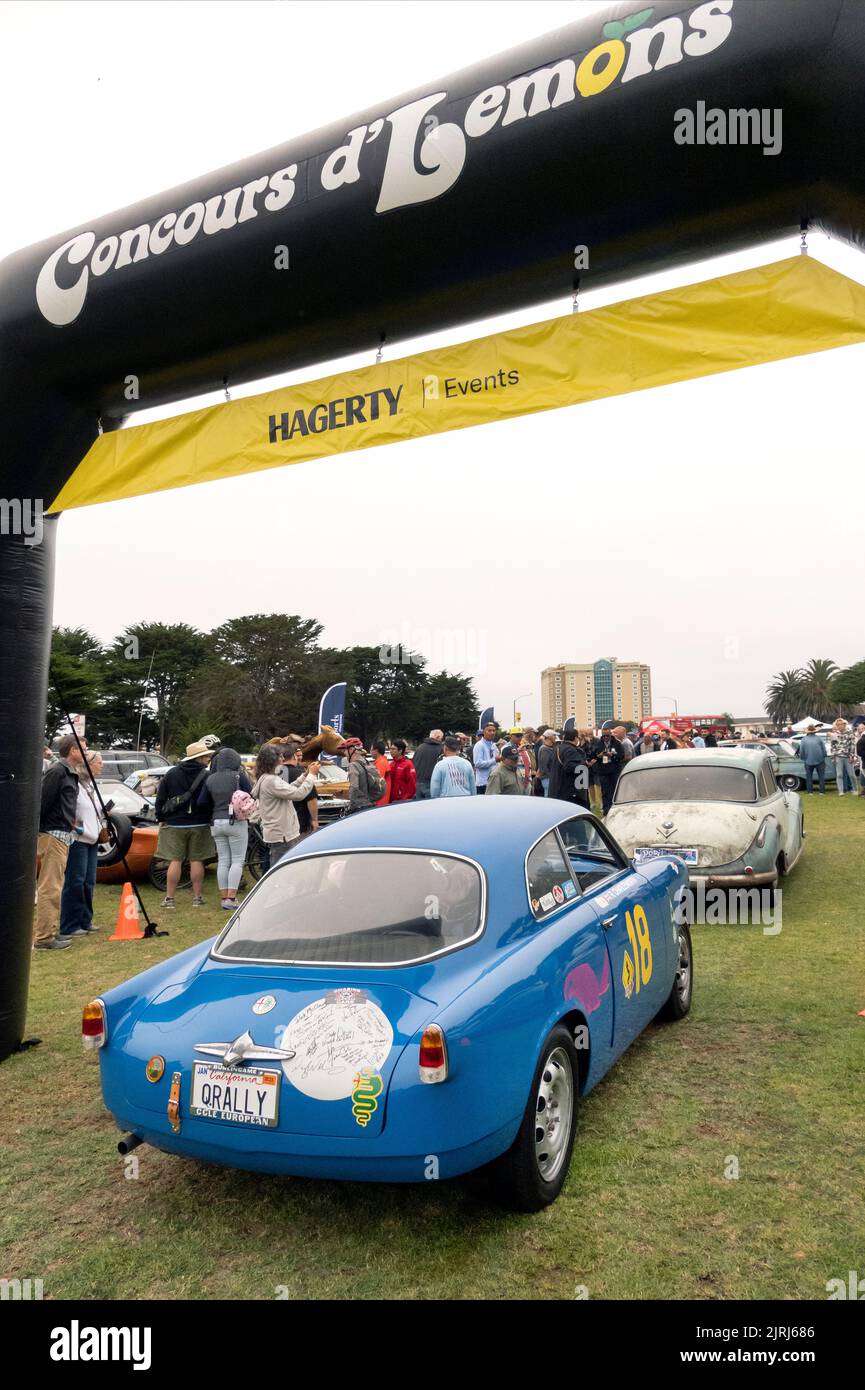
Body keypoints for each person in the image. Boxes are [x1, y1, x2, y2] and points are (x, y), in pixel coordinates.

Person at [34, 733, 88, 950]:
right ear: (73, 750)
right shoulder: (58, 771)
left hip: (62, 833)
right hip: (52, 834)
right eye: (83, 748)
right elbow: (43, 802)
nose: (86, 751)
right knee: (50, 887)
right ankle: (44, 938)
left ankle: (49, 933)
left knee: (55, 886)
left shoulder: (69, 772)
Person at [154, 741, 215, 909]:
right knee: (197, 860)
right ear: (200, 757)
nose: (208, 758)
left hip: (175, 823)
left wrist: (161, 817)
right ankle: (197, 897)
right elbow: (210, 800)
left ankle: (169, 898)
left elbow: (160, 799)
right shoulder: (207, 775)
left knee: (175, 861)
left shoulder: (172, 773)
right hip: (200, 822)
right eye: (206, 756)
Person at [59, 748, 104, 939]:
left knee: (88, 881)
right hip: (79, 839)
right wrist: (78, 828)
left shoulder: (91, 786)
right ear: (88, 765)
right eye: (98, 762)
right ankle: (69, 924)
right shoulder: (75, 784)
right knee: (75, 881)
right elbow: (69, 810)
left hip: (92, 839)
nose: (101, 766)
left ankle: (85, 920)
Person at [201, 747, 253, 910]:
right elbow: (251, 793)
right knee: (237, 860)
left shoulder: (210, 778)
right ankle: (231, 898)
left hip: (216, 822)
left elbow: (201, 802)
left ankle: (224, 897)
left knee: (223, 861)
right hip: (236, 821)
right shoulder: (239, 776)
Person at [251, 743, 319, 865]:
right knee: (281, 869)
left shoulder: (267, 778)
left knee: (279, 866)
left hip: (278, 833)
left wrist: (305, 775)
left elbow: (289, 789)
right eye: (280, 756)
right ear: (273, 760)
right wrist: (312, 776)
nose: (283, 759)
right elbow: (298, 795)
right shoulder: (271, 781)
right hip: (282, 834)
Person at [280, 744, 320, 835]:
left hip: (279, 824)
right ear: (294, 756)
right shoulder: (298, 772)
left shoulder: (274, 774)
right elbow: (311, 799)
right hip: (299, 823)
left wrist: (306, 774)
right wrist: (314, 820)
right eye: (298, 756)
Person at [549, 728, 589, 809]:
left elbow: (549, 765)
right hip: (570, 792)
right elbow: (571, 767)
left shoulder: (557, 748)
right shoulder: (571, 750)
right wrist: (584, 765)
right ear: (575, 738)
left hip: (556, 789)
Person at [344, 739, 385, 813]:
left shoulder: (353, 765)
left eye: (345, 750)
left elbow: (354, 787)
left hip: (359, 807)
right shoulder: (367, 762)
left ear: (351, 749)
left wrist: (351, 804)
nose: (344, 753)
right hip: (370, 804)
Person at [595, 728, 624, 813]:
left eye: (607, 735)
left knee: (614, 790)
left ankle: (614, 808)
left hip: (614, 770)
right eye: (604, 736)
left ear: (611, 735)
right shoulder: (598, 744)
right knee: (604, 791)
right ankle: (606, 809)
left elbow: (622, 756)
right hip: (603, 771)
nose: (606, 737)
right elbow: (593, 756)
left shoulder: (617, 743)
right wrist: (599, 756)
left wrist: (613, 755)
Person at [828, 718, 858, 796]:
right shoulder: (834, 734)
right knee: (839, 775)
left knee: (851, 775)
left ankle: (855, 789)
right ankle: (841, 791)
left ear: (844, 725)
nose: (839, 726)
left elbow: (853, 745)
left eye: (841, 724)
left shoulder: (850, 733)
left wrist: (852, 756)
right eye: (838, 725)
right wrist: (833, 757)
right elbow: (832, 746)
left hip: (848, 756)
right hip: (838, 756)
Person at [412, 729, 443, 800]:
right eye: (441, 738)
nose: (441, 740)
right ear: (438, 737)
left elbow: (413, 763)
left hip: (417, 783)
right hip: (431, 784)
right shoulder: (440, 749)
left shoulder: (419, 747)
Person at [798, 724, 827, 794]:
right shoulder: (819, 739)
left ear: (807, 731)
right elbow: (824, 749)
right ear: (815, 731)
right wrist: (824, 756)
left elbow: (801, 750)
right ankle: (822, 792)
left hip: (808, 760)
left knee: (809, 777)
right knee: (821, 777)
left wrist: (803, 758)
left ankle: (810, 792)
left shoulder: (804, 739)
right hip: (820, 759)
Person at [472, 722, 499, 794]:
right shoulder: (479, 745)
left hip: (493, 782)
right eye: (489, 730)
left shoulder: (494, 745)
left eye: (494, 731)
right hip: (483, 783)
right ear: (484, 732)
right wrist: (495, 760)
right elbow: (477, 764)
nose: (492, 733)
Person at [536, 730, 557, 796]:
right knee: (548, 796)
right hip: (547, 778)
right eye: (554, 735)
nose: (555, 737)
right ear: (549, 737)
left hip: (549, 777)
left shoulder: (551, 747)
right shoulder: (544, 749)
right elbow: (544, 766)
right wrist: (550, 776)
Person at [372, 740, 391, 806]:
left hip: (380, 801)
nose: (370, 752)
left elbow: (377, 783)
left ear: (376, 750)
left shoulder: (381, 763)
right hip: (381, 799)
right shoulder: (381, 762)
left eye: (372, 750)